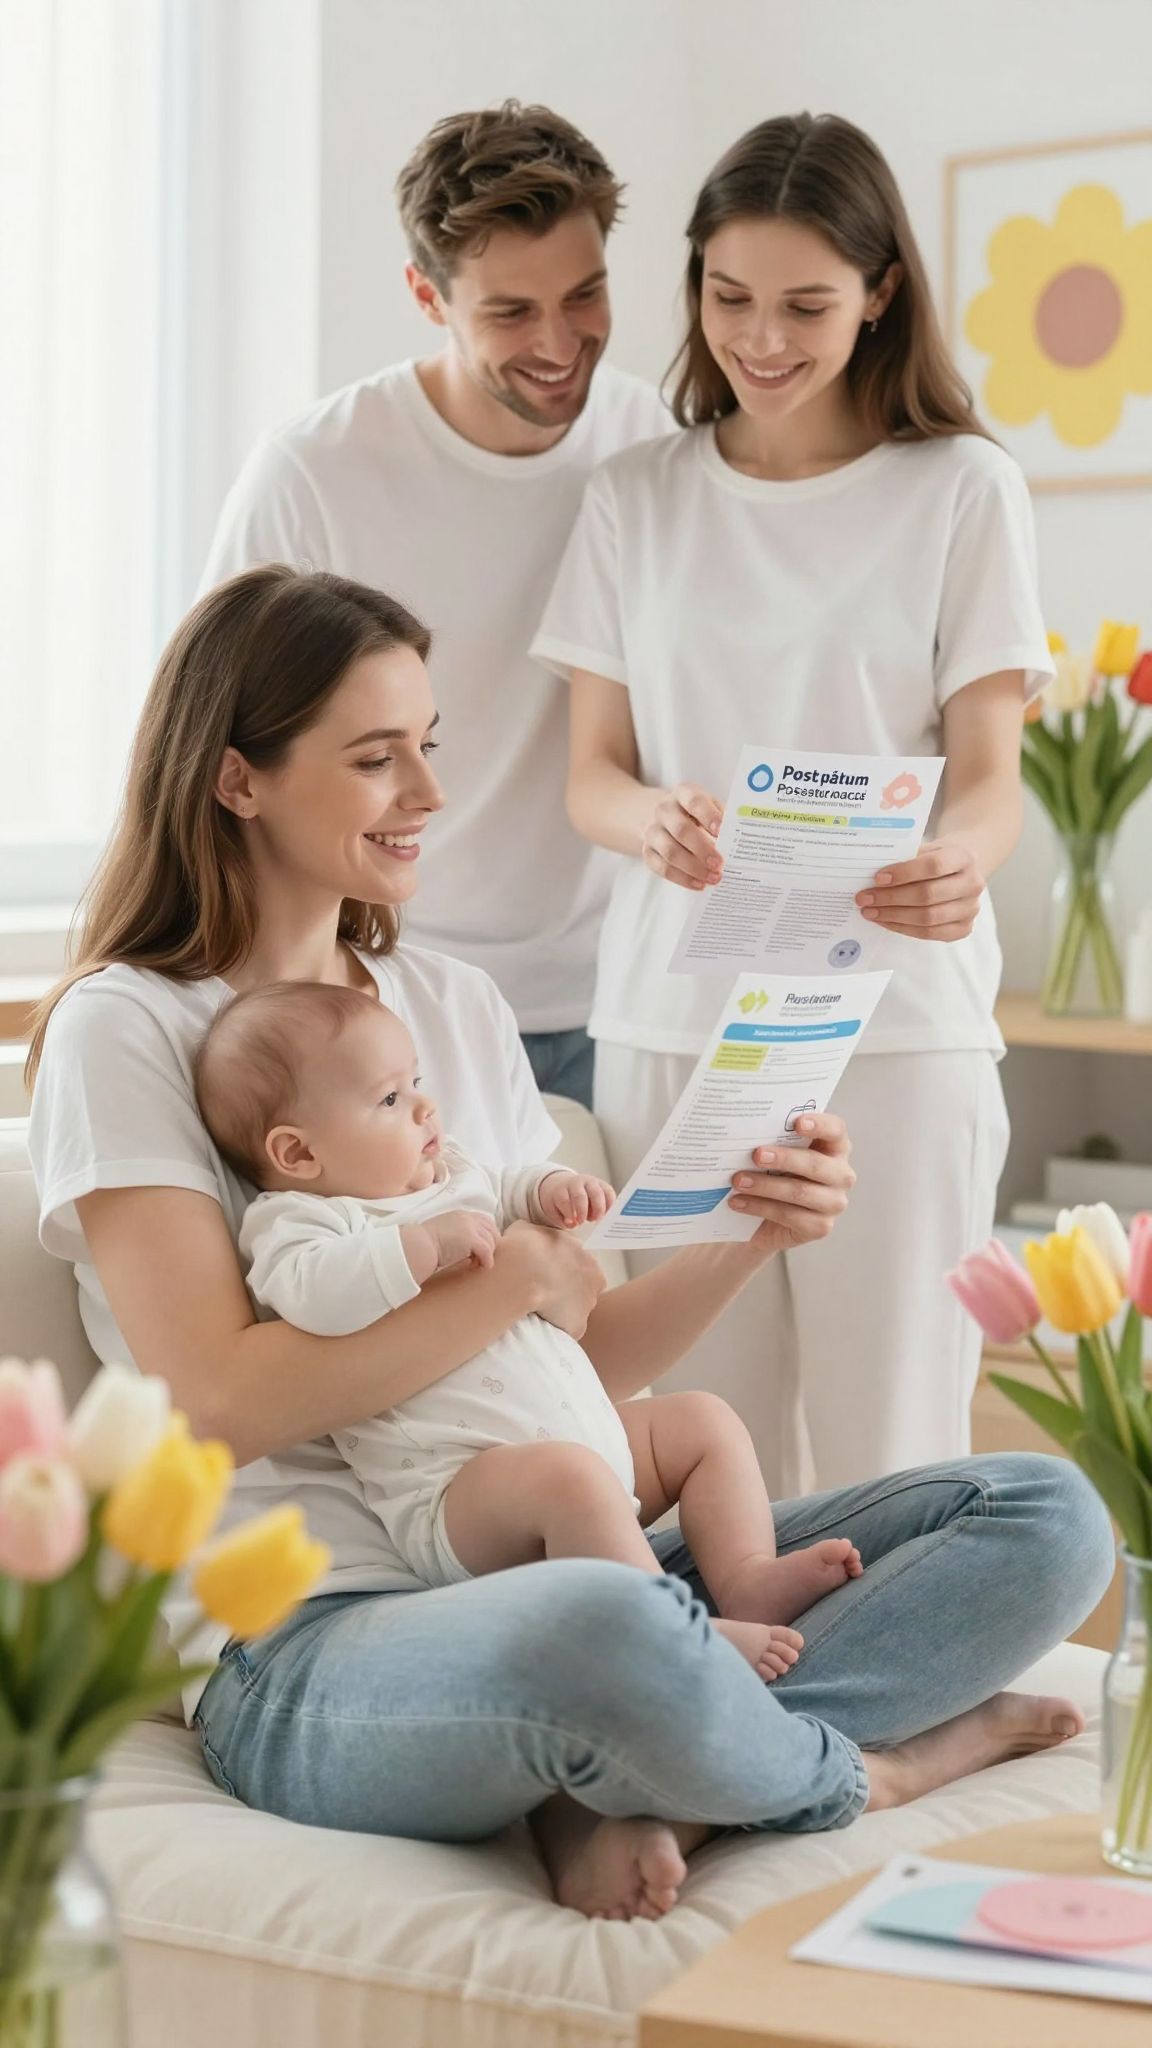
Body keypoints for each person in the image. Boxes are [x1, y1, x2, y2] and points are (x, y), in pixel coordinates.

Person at [28, 567, 1110, 1923]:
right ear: (238, 779)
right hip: (308, 1637)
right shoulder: (129, 1026)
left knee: (1043, 1514)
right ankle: (855, 1770)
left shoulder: (449, 1004)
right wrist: (516, 1287)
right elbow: (215, 1402)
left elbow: (575, 1364)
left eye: (429, 745)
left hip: (561, 1544)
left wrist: (746, 1232)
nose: (430, 792)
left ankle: (650, 1766)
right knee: (606, 1628)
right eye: (376, 757)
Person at [535, 112, 1055, 1494]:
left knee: (901, 1451)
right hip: (675, 1025)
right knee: (714, 1466)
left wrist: (959, 860)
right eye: (730, 297)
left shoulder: (964, 490)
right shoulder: (635, 496)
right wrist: (647, 820)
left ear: (880, 294)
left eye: (807, 306)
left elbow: (990, 780)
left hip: (897, 1027)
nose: (760, 340)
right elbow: (591, 773)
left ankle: (915, 1652)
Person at [199, 101, 672, 1109]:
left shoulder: (653, 446)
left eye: (585, 295)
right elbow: (215, 748)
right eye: (511, 312)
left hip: (620, 994)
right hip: (389, 999)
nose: (559, 342)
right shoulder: (315, 472)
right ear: (427, 295)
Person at [193, 980, 862, 1679]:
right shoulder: (301, 1222)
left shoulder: (449, 1173)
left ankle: (747, 1576)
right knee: (569, 1479)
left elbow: (511, 1187)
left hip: (583, 1448)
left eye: (416, 1082)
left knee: (702, 1420)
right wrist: (422, 1247)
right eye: (389, 1099)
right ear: (298, 1155)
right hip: (462, 1496)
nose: (424, 1107)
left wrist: (552, 1191)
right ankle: (671, 1635)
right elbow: (312, 1295)